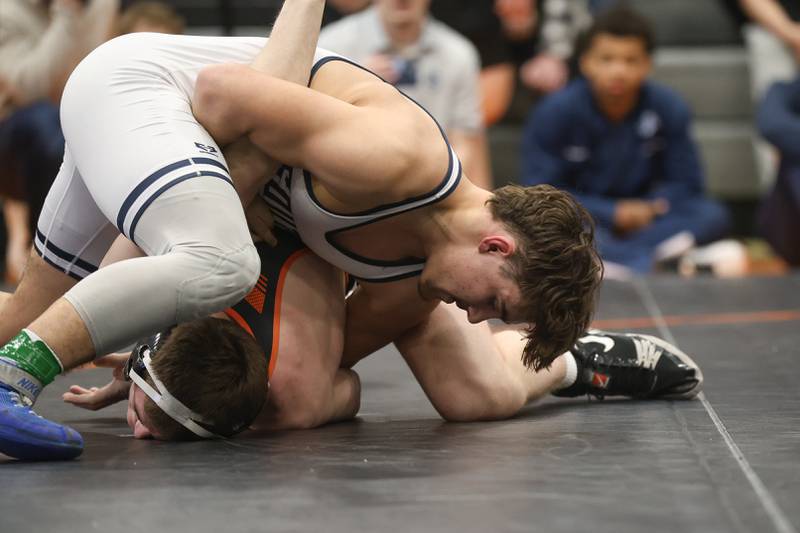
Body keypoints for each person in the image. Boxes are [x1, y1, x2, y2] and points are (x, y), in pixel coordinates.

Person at [0, 0, 599, 461]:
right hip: (146, 96)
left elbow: (329, 371)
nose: (475, 315)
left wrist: (161, 364)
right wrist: (239, 183)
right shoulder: (395, 157)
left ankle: (590, 362)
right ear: (496, 244)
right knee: (219, 260)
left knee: (477, 397)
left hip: (180, 156)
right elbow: (221, 93)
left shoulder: (415, 266)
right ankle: (12, 379)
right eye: (494, 302)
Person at [62, 229, 702, 441]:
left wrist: (110, 343)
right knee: (468, 401)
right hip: (325, 261)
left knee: (478, 396)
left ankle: (567, 359)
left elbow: (352, 387)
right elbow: (345, 387)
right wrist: (138, 368)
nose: (137, 432)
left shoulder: (295, 398)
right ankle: (569, 364)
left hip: (399, 267)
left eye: (141, 420)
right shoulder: (293, 395)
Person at [519, 5, 730, 275]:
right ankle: (657, 258)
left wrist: (652, 207)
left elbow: (688, 183)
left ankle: (613, 261)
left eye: (631, 60)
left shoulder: (670, 107)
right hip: (588, 219)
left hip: (651, 218)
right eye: (606, 59)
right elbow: (540, 192)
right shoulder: (554, 112)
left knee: (712, 214)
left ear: (647, 65)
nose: (618, 71)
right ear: (585, 62)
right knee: (550, 228)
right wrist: (612, 212)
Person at [0, 0, 118, 283]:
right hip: (19, 130)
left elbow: (104, 76)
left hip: (85, 117)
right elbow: (30, 87)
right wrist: (66, 14)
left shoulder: (102, 6)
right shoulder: (7, 11)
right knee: (49, 121)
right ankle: (46, 255)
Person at [318, 0, 493, 188]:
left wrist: (434, 188)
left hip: (436, 186)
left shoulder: (458, 54)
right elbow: (317, 134)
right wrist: (354, 83)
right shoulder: (331, 46)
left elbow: (466, 140)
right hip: (352, 185)